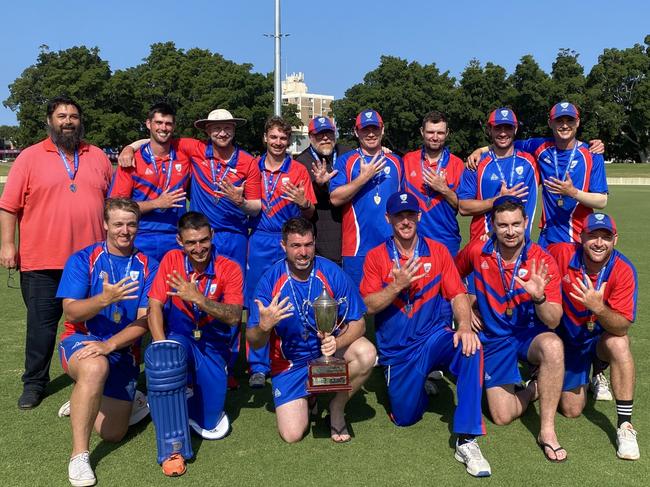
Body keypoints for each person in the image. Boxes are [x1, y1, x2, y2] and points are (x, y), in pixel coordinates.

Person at [118, 108, 262, 389]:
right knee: (181, 295)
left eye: (228, 127)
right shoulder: (194, 148)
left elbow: (256, 207)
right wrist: (129, 146)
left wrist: (238, 201)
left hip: (233, 237)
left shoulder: (248, 161)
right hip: (198, 235)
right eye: (216, 128)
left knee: (231, 302)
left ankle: (226, 363)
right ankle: (177, 354)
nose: (222, 132)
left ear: (235, 129)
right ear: (207, 131)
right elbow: (159, 137)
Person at [360, 192, 490, 478]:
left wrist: (465, 327)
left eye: (410, 215)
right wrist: (396, 286)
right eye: (398, 216)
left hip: (433, 338)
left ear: (419, 217)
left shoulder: (439, 251)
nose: (405, 221)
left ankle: (467, 439)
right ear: (388, 219)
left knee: (471, 348)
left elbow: (457, 294)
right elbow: (367, 305)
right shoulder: (376, 256)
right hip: (398, 352)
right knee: (405, 418)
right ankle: (421, 382)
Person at [0, 96, 113, 409]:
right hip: (42, 261)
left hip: (90, 261)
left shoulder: (98, 156)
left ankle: (98, 376)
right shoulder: (29, 157)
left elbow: (112, 205)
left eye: (74, 116)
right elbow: (9, 207)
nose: (68, 121)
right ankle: (34, 383)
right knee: (41, 327)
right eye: (62, 116)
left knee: (95, 324)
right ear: (49, 120)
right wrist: (8, 244)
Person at [455, 196, 567, 462]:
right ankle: (533, 388)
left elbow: (553, 320)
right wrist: (467, 308)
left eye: (516, 224)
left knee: (553, 345)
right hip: (494, 337)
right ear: (492, 224)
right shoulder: (477, 250)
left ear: (526, 222)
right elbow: (451, 275)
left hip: (529, 334)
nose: (510, 231)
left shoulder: (542, 260)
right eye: (503, 224)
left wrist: (539, 298)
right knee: (502, 416)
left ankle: (547, 432)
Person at [247, 217, 376, 443]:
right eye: (296, 246)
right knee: (292, 434)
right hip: (290, 364)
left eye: (308, 244)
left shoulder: (331, 272)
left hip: (327, 354)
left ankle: (336, 408)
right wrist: (264, 327)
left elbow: (360, 323)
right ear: (283, 246)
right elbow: (254, 341)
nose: (303, 252)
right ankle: (311, 396)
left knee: (366, 353)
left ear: (315, 242)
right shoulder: (270, 281)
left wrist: (338, 341)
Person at [56, 198, 156, 487]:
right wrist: (104, 299)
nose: (125, 231)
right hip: (81, 340)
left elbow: (144, 320)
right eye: (118, 224)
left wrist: (111, 344)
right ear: (105, 225)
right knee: (95, 368)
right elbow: (71, 310)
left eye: (131, 224)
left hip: (120, 348)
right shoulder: (83, 258)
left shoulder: (149, 265)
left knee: (112, 433)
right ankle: (79, 456)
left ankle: (85, 398)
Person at [146, 211, 244, 476]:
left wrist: (199, 299)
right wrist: (160, 347)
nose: (198, 248)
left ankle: (174, 400)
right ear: (180, 241)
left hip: (212, 347)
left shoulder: (229, 267)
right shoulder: (171, 259)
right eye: (191, 242)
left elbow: (235, 317)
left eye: (203, 240)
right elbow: (154, 304)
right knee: (169, 358)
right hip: (181, 339)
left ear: (212, 236)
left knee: (212, 424)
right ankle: (172, 451)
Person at [548, 213, 640, 460]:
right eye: (593, 236)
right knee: (571, 409)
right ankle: (584, 374)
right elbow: (528, 257)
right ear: (581, 237)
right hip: (569, 341)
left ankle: (625, 426)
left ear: (615, 240)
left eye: (606, 237)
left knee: (619, 343)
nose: (599, 243)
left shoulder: (624, 269)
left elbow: (622, 327)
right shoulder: (560, 254)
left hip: (599, 339)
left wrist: (598, 308)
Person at [466, 102, 607, 246]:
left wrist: (573, 192)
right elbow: (505, 142)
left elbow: (601, 201)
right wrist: (480, 150)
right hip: (547, 236)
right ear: (550, 123)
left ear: (577, 122)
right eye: (559, 120)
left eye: (569, 120)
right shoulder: (540, 147)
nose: (565, 125)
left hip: (578, 237)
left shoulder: (592, 154)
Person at [245, 116, 316, 388]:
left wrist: (304, 202)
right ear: (265, 138)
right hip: (260, 239)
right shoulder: (252, 167)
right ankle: (258, 366)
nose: (277, 143)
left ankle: (292, 355)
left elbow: (309, 210)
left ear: (289, 141)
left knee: (291, 299)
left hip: (287, 240)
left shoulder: (297, 170)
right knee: (259, 301)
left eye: (283, 138)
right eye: (273, 137)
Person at [330, 109, 404, 287]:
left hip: (392, 245)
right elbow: (335, 198)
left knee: (392, 302)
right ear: (356, 132)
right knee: (357, 308)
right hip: (357, 248)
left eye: (375, 129)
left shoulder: (396, 161)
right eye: (365, 129)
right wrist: (363, 178)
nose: (371, 134)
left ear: (382, 129)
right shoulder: (346, 161)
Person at [109, 102, 190, 262]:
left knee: (172, 287)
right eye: (158, 122)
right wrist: (156, 203)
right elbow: (116, 207)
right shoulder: (131, 161)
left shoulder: (184, 157)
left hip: (175, 238)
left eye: (168, 124)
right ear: (148, 124)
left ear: (174, 126)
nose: (163, 128)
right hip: (140, 236)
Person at [457, 108, 538, 241]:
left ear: (515, 129)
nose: (503, 133)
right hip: (483, 243)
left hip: (521, 246)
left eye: (508, 128)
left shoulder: (531, 162)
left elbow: (559, 144)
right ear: (489, 129)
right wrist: (498, 200)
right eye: (498, 128)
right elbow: (463, 207)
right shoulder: (476, 164)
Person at [402, 111, 465, 256]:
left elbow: (462, 207)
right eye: (430, 132)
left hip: (446, 240)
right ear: (422, 132)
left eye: (440, 133)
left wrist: (444, 189)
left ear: (447, 133)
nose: (435, 137)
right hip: (413, 240)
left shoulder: (457, 164)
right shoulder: (407, 160)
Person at [295, 116, 352, 265]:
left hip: (351, 230)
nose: (325, 138)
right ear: (310, 137)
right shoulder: (302, 162)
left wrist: (383, 150)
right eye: (320, 134)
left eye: (329, 133)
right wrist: (319, 185)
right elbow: (307, 202)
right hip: (323, 233)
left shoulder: (348, 153)